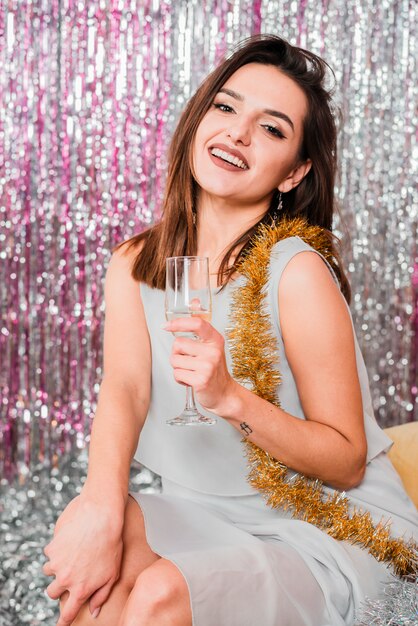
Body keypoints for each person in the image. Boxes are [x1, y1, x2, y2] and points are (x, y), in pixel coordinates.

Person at [43, 34, 418, 626]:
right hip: (202, 507)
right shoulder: (135, 262)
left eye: (271, 128)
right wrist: (98, 507)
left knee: (163, 593)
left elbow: (346, 462)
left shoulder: (296, 272)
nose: (238, 133)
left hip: (323, 524)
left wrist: (230, 398)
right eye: (225, 107)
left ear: (295, 173)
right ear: (199, 120)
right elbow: (126, 388)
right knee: (99, 570)